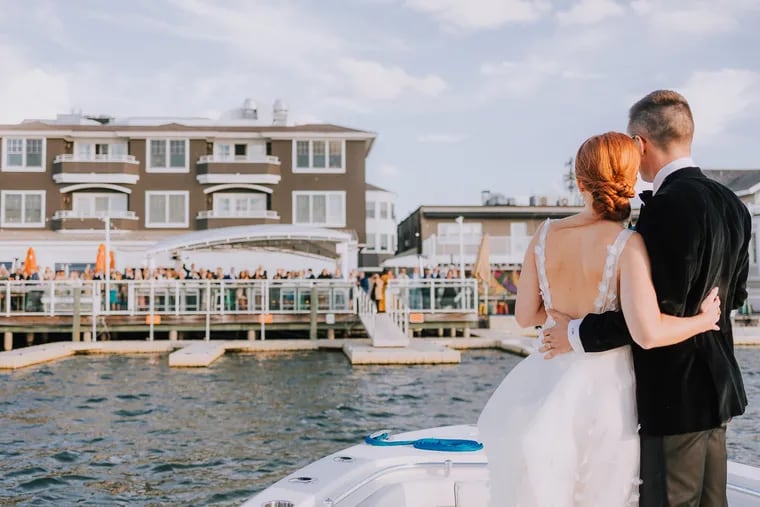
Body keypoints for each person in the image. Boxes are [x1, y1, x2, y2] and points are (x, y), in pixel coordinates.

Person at [477, 131, 722, 507]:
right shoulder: (627, 244)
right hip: (606, 393)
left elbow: (525, 315)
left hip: (547, 379)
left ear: (579, 183)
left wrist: (560, 314)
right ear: (630, 179)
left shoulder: (543, 235)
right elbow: (649, 332)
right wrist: (703, 321)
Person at [542, 91, 750, 507]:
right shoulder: (733, 204)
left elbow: (651, 316)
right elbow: (736, 295)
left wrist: (576, 333)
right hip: (719, 390)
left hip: (674, 395)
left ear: (639, 144)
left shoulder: (668, 207)